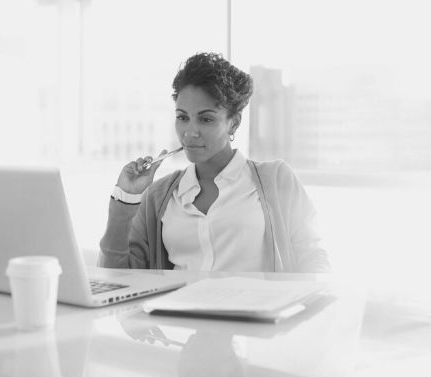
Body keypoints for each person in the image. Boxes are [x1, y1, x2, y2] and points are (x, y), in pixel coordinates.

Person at [99, 52, 330, 273]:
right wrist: (127, 197)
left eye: (206, 119)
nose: (190, 132)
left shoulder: (277, 179)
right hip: (176, 314)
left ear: (233, 123)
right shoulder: (159, 196)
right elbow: (117, 277)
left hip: (253, 312)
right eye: (182, 117)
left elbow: (312, 257)